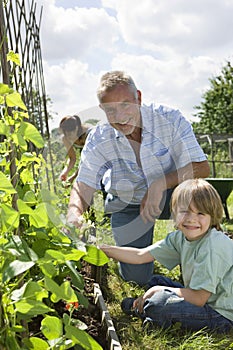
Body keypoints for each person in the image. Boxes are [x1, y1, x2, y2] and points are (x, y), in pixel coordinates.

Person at [67, 70, 210, 285]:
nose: (121, 116)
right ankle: (152, 273)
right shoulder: (99, 137)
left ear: (139, 98)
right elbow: (83, 184)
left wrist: (160, 184)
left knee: (200, 198)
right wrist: (74, 214)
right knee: (136, 279)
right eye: (111, 109)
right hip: (128, 201)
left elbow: (201, 167)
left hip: (173, 194)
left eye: (126, 104)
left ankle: (198, 258)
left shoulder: (169, 119)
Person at [100, 179, 233, 334]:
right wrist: (105, 250)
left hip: (221, 314)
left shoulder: (212, 246)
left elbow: (199, 298)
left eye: (200, 213)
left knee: (159, 300)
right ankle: (148, 309)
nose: (191, 219)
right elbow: (140, 255)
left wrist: (158, 290)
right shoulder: (180, 238)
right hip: (203, 298)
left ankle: (149, 313)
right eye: (184, 211)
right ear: (174, 213)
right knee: (155, 280)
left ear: (212, 215)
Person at [59, 115, 91, 184]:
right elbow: (72, 158)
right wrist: (65, 172)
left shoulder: (88, 134)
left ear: (77, 128)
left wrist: (74, 176)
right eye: (67, 133)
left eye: (72, 132)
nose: (70, 135)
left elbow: (87, 159)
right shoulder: (65, 138)